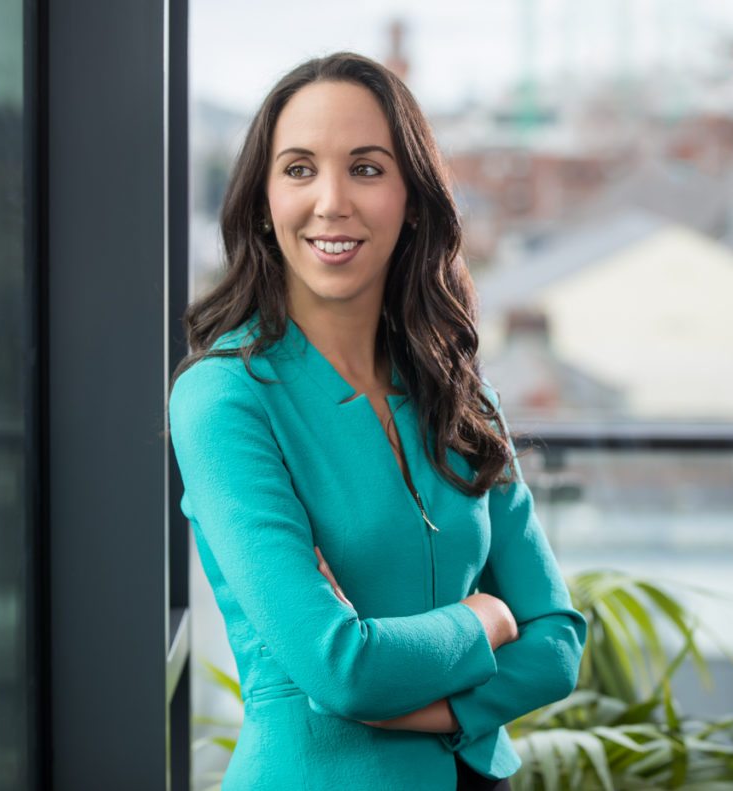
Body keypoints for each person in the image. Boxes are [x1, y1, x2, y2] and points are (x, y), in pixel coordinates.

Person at [167, 51, 587, 791]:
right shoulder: (224, 397)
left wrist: (427, 710)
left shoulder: (456, 385)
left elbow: (557, 642)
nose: (332, 202)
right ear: (263, 200)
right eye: (299, 169)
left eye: (366, 168)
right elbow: (342, 667)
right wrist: (485, 617)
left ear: (413, 198)